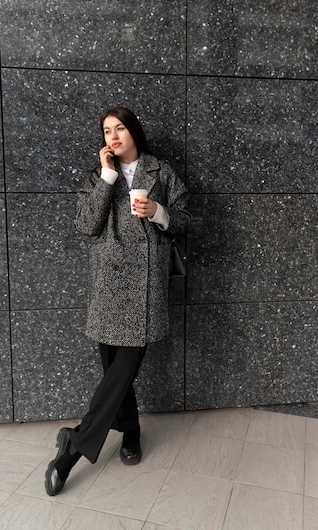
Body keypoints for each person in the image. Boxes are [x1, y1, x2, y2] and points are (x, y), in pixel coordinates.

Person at [45, 105, 190, 496]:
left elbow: (186, 216)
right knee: (115, 371)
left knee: (124, 366)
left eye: (120, 128)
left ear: (133, 132)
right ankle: (131, 433)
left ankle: (73, 448)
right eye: (107, 130)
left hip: (144, 284)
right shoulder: (97, 177)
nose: (113, 135)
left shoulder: (160, 170)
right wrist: (108, 177)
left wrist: (158, 211)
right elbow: (86, 225)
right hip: (108, 282)